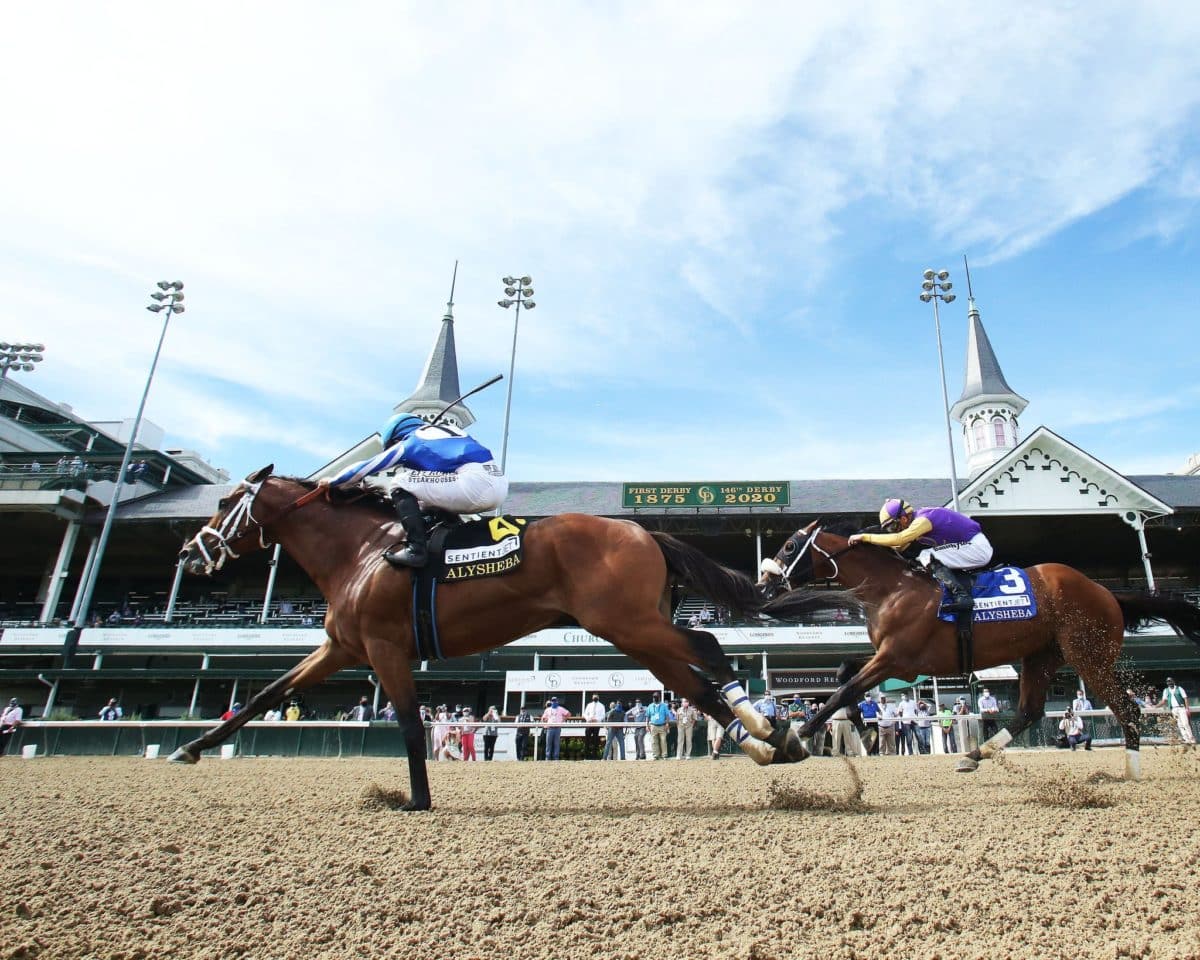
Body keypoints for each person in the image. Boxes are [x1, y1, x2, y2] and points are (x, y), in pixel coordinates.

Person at [316, 412, 507, 568]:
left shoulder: (410, 442)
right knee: (422, 497)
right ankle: (450, 534)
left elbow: (369, 466)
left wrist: (333, 480)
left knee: (400, 481)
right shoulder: (450, 432)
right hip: (498, 483)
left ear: (397, 437)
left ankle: (416, 550)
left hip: (473, 485)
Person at [848, 498, 993, 615]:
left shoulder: (923, 519)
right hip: (968, 547)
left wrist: (865, 537)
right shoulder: (917, 521)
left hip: (976, 547)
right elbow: (899, 547)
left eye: (892, 526)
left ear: (904, 518)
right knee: (921, 558)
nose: (893, 531)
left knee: (926, 555)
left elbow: (899, 539)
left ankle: (962, 596)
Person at [1158, 677, 1194, 744]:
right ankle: (1186, 739)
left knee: (1185, 723)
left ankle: (1191, 738)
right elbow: (1164, 701)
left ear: (1173, 681)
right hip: (1174, 709)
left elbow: (1185, 698)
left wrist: (1187, 708)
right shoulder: (1166, 690)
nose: (1169, 682)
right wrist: (1156, 706)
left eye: (1170, 681)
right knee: (1180, 725)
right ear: (1167, 683)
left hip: (1181, 708)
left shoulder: (1179, 688)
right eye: (1168, 681)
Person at [645, 693, 673, 760]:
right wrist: (646, 725)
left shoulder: (664, 706)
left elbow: (667, 716)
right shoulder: (650, 706)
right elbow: (647, 716)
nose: (655, 698)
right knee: (654, 741)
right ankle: (656, 755)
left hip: (662, 725)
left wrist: (667, 724)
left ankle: (664, 755)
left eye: (656, 697)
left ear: (659, 698)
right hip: (653, 726)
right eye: (654, 697)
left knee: (663, 741)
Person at [582, 694, 606, 759]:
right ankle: (586, 756)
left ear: (598, 698)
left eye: (596, 697)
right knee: (587, 740)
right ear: (592, 698)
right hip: (589, 724)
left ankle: (594, 756)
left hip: (596, 724)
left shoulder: (601, 706)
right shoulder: (589, 705)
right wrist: (589, 718)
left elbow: (603, 715)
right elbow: (584, 714)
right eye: (594, 697)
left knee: (595, 739)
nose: (595, 698)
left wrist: (597, 719)